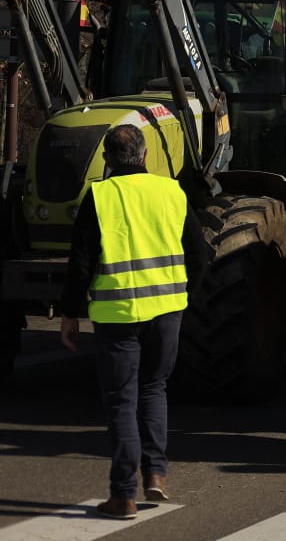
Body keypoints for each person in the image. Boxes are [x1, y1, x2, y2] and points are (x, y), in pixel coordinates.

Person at [59, 124, 206, 520]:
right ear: (144, 157)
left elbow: (81, 263)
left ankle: (123, 495)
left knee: (122, 400)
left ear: (106, 160)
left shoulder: (101, 196)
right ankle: (156, 474)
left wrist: (69, 313)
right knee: (154, 390)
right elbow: (200, 254)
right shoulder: (172, 192)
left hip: (118, 316)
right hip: (167, 313)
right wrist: (184, 296)